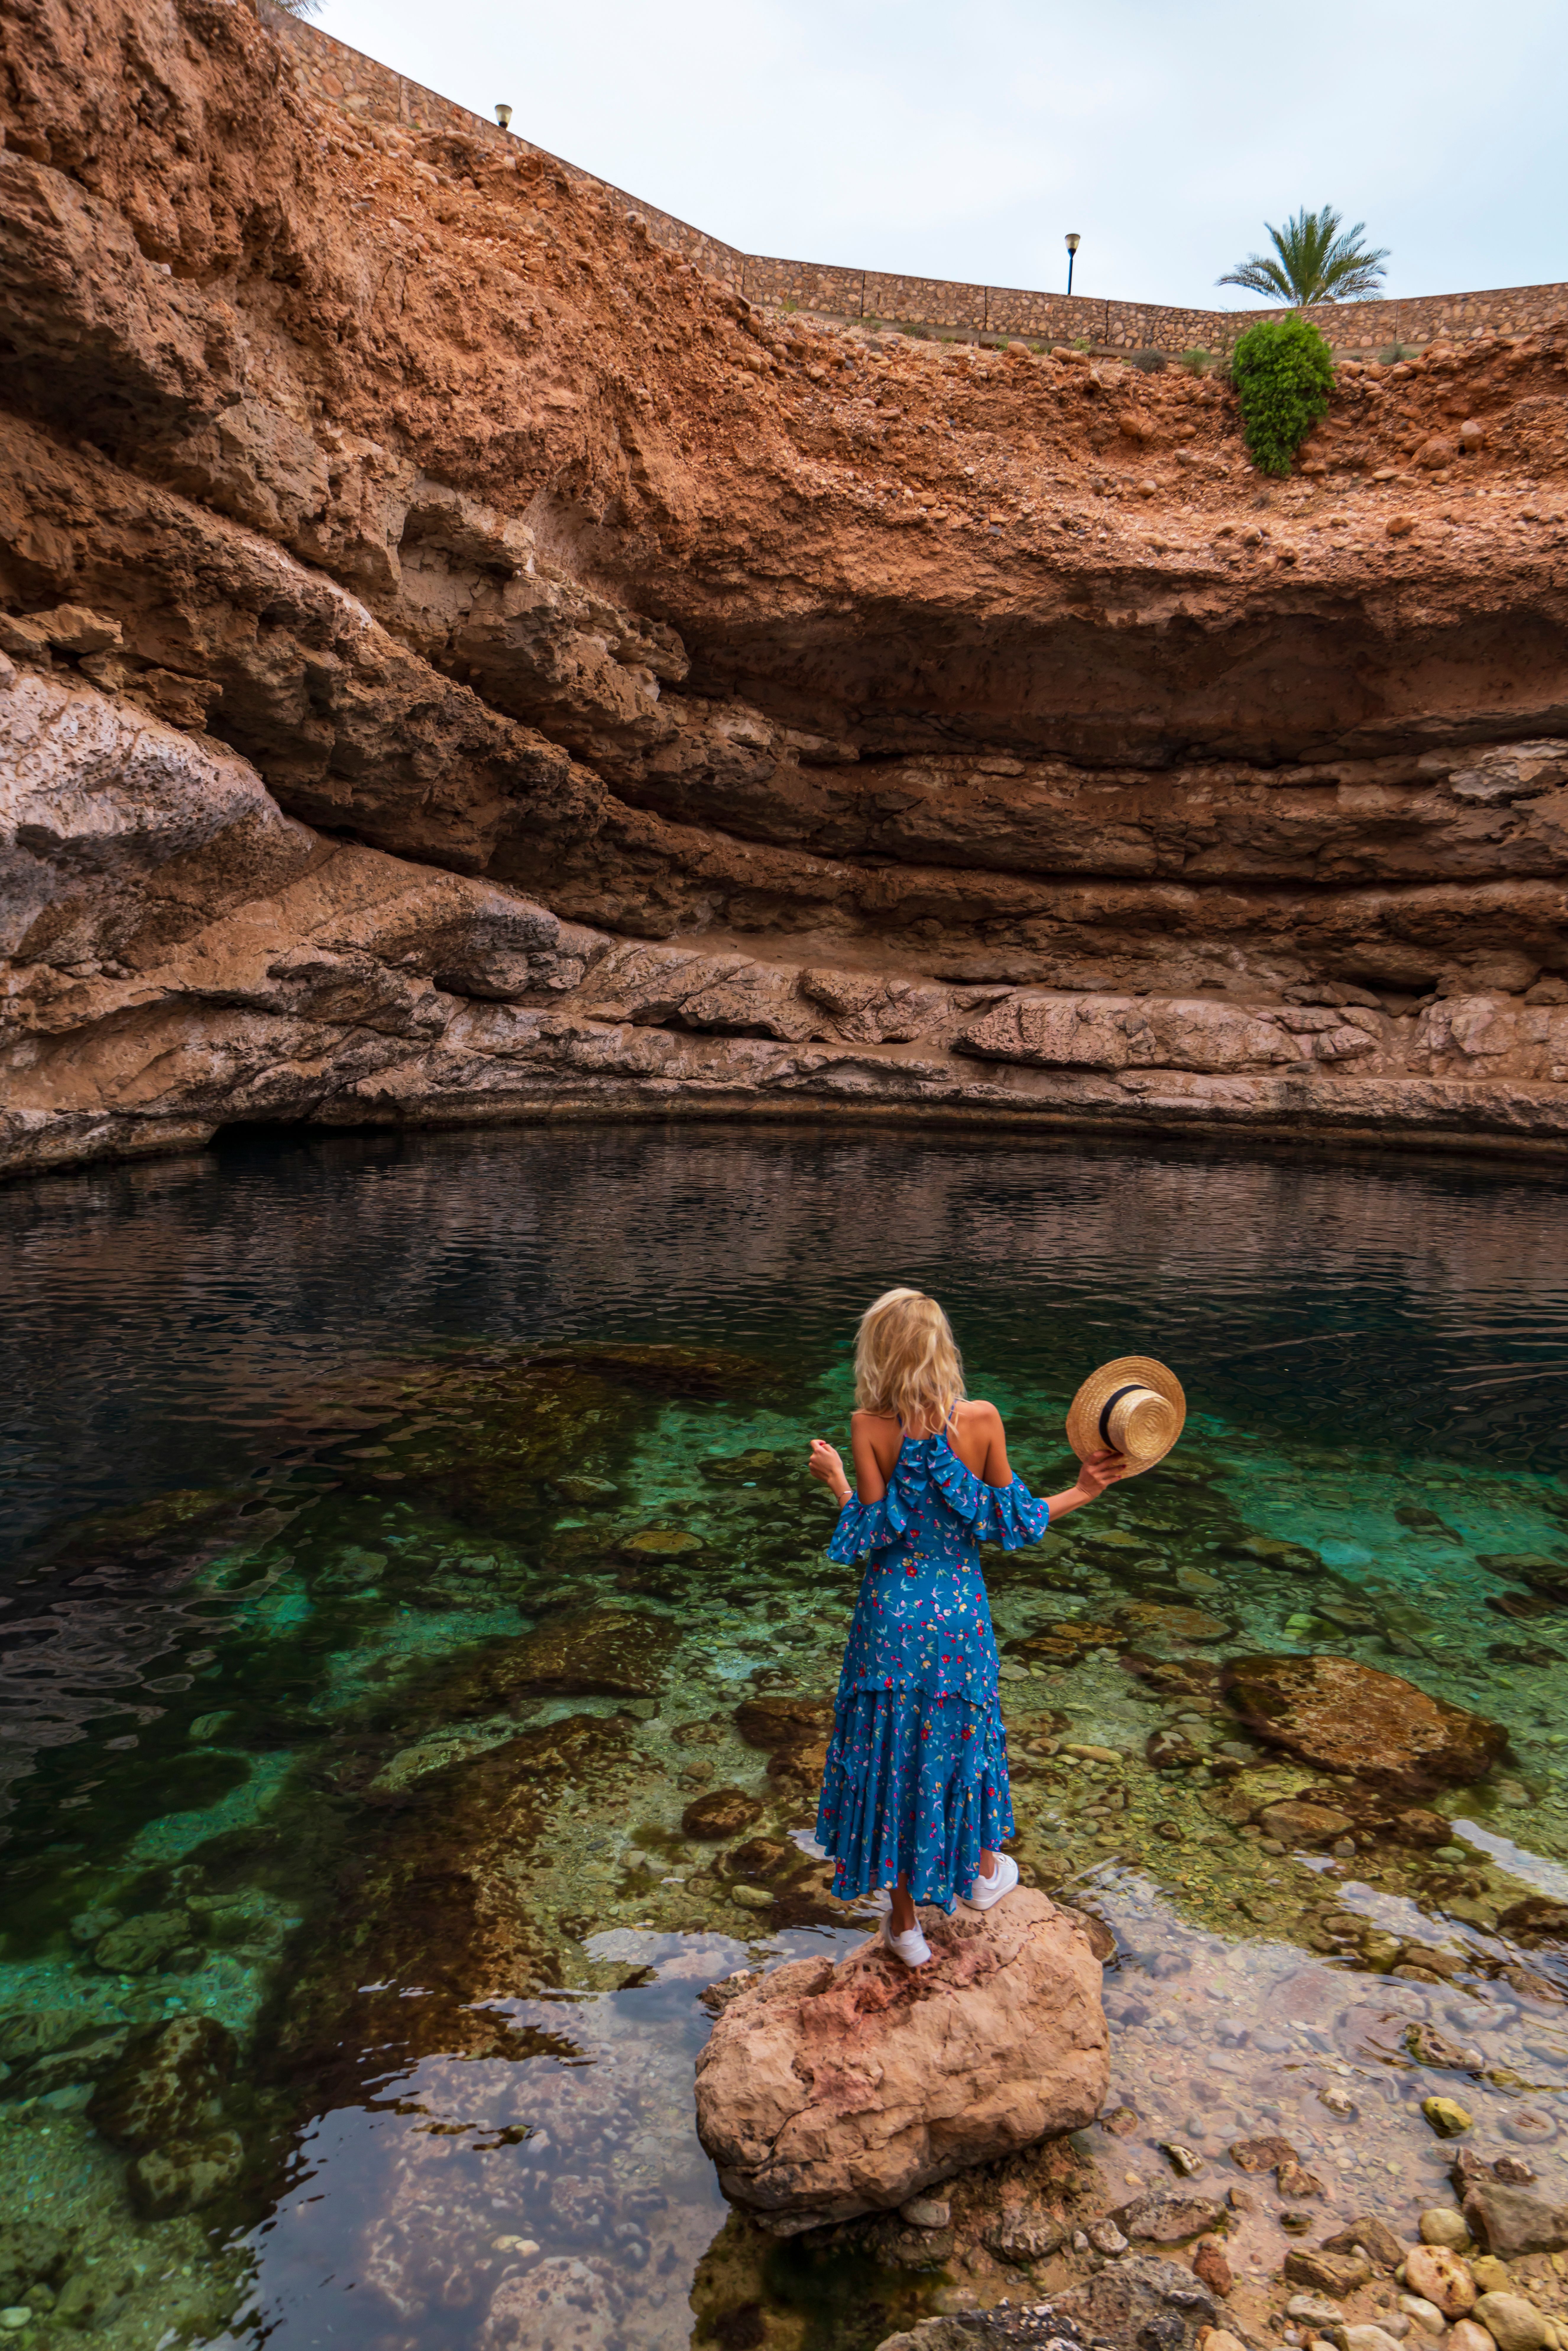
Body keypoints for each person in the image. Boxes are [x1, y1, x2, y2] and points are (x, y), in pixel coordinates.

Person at [806, 1286, 1128, 1968]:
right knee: (963, 1737)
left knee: (891, 1753)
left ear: (880, 1353)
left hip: (890, 1616)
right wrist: (1085, 1490)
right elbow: (1010, 1521)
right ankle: (982, 1877)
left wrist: (836, 1478)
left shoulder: (868, 1425)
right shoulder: (980, 1420)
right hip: (957, 1618)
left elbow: (869, 1532)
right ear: (940, 1349)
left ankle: (906, 1928)